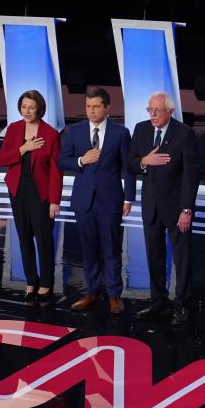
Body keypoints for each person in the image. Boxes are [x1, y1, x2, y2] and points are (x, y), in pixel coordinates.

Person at [58, 87, 135, 314]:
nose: (91, 111)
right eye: (88, 106)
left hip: (110, 200)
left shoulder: (120, 133)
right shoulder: (75, 131)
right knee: (89, 249)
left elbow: (127, 170)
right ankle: (92, 292)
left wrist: (128, 198)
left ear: (107, 108)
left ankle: (114, 295)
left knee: (111, 249)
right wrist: (82, 160)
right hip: (84, 201)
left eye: (96, 106)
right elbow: (63, 161)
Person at [128, 91, 199, 326]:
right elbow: (130, 163)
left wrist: (187, 209)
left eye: (158, 110)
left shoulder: (184, 133)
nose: (153, 115)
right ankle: (158, 301)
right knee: (154, 256)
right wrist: (143, 162)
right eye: (150, 110)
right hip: (151, 205)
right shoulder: (141, 129)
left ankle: (183, 304)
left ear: (170, 111)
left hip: (177, 207)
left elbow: (191, 175)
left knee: (182, 258)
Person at [0, 90, 62, 305]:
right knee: (24, 237)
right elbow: (2, 159)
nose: (27, 111)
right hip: (18, 189)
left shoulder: (51, 134)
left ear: (39, 109)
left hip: (41, 192)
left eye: (31, 107)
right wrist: (23, 148)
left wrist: (54, 201)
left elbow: (55, 170)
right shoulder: (14, 129)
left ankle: (46, 283)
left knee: (43, 238)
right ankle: (31, 281)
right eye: (24, 107)